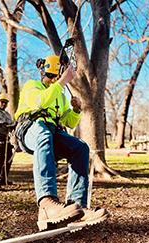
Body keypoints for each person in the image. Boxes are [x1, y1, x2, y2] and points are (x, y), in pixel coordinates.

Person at [14, 54, 105, 230]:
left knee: (80, 148)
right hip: (29, 129)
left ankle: (77, 207)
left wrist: (76, 110)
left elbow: (69, 122)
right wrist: (62, 82)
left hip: (52, 131)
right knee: (43, 135)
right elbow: (40, 102)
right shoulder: (32, 86)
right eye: (54, 75)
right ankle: (47, 204)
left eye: (58, 76)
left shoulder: (61, 97)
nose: (55, 79)